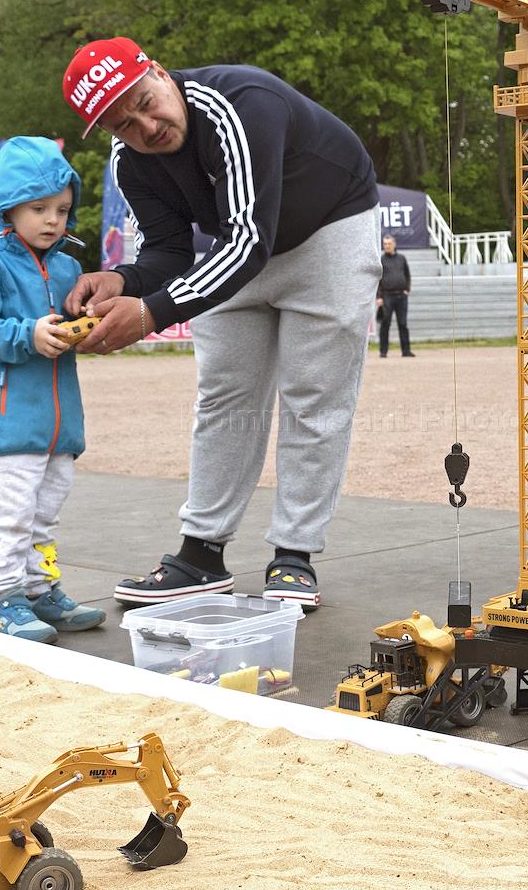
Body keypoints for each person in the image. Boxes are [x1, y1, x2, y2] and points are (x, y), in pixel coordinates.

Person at [60, 39, 380, 610]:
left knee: (314, 396)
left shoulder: (240, 103)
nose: (146, 127)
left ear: (161, 73)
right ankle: (201, 555)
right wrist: (124, 281)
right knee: (224, 394)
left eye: (146, 102)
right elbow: (168, 249)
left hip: (328, 229)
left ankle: (294, 556)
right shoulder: (130, 162)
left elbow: (249, 240)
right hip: (237, 245)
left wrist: (151, 312)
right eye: (124, 124)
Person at [0, 137, 106, 643]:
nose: (53, 220)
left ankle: (39, 591)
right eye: (39, 209)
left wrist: (86, 329)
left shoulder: (68, 267)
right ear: (7, 207)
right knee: (8, 518)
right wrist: (27, 334)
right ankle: (1, 601)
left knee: (43, 517)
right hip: (6, 423)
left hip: (57, 427)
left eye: (62, 209)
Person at [376, 234, 414, 358]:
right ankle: (383, 351)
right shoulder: (380, 260)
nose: (387, 246)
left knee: (403, 324)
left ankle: (406, 351)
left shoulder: (402, 258)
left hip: (402, 296)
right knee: (385, 324)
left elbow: (407, 275)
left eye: (389, 243)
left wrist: (407, 289)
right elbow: (378, 280)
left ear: (394, 244)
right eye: (385, 244)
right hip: (386, 296)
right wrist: (379, 297)